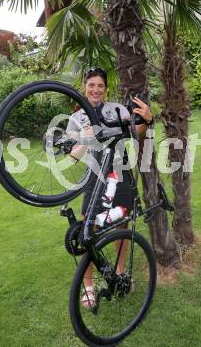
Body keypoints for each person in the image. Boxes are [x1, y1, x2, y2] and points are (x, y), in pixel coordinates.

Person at [66, 67, 153, 308]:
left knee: (121, 224)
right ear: (85, 87)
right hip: (95, 173)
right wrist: (87, 137)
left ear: (106, 89)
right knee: (88, 230)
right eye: (91, 85)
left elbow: (137, 134)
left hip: (120, 170)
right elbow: (72, 157)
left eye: (100, 86)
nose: (95, 90)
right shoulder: (77, 118)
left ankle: (120, 272)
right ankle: (89, 286)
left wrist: (148, 119)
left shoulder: (118, 110)